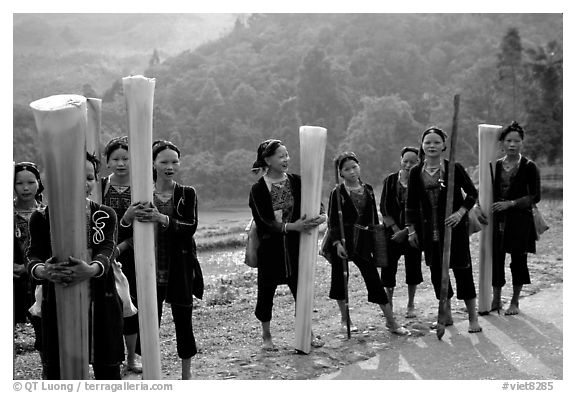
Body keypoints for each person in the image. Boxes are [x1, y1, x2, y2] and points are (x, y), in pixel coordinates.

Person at [26, 153, 124, 379]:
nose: (84, 183)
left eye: (89, 177)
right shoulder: (41, 218)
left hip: (101, 299)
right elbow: (33, 254)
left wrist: (91, 269)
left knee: (107, 368)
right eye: (75, 177)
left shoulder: (105, 214)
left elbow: (107, 249)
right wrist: (43, 270)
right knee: (58, 370)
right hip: (58, 299)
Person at [120, 139, 203, 380]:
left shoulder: (187, 193)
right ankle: (150, 373)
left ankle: (186, 375)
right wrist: (128, 217)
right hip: (149, 268)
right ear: (153, 164)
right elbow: (126, 230)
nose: (170, 166)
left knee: (183, 321)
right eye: (164, 161)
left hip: (179, 266)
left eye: (174, 161)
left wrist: (162, 219)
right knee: (148, 322)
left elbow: (191, 227)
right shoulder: (141, 193)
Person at [248, 139, 326, 351]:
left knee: (301, 290)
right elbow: (264, 223)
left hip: (295, 248)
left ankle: (307, 333)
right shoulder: (258, 189)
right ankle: (266, 336)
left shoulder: (296, 181)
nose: (286, 159)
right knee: (266, 294)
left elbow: (315, 200)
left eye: (287, 154)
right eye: (281, 156)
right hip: (270, 249)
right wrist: (293, 226)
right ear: (267, 160)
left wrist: (320, 215)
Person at [405, 127, 482, 333]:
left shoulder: (454, 168)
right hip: (429, 231)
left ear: (444, 146)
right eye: (428, 142)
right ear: (422, 145)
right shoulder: (415, 172)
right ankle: (445, 314)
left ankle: (473, 318)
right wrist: (411, 230)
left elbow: (472, 194)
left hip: (454, 229)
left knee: (462, 270)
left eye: (436, 142)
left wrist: (460, 213)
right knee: (437, 272)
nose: (432, 146)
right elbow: (410, 204)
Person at [327, 152, 410, 335]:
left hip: (363, 241)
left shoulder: (369, 189)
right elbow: (332, 220)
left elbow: (373, 216)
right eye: (346, 169)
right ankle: (344, 319)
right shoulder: (337, 192)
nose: (352, 172)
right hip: (343, 240)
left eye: (354, 167)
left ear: (359, 167)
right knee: (341, 280)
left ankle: (391, 322)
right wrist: (337, 243)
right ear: (340, 173)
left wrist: (375, 240)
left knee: (373, 280)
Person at [100, 136, 142, 373]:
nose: (121, 163)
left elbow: (145, 227)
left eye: (126, 158)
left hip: (131, 256)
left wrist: (121, 247)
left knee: (131, 305)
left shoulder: (142, 185)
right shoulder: (101, 185)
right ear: (107, 162)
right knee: (106, 306)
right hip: (101, 256)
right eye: (115, 158)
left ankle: (132, 358)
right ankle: (110, 357)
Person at [490, 121, 541, 315]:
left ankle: (515, 302)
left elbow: (535, 196)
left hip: (520, 220)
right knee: (497, 260)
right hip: (498, 219)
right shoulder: (495, 166)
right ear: (502, 143)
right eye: (508, 141)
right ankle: (496, 300)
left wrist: (511, 203)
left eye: (516, 141)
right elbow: (488, 191)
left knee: (518, 261)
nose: (512, 144)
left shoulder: (529, 166)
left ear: (522, 143)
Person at [379, 147, 424, 318]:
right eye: (405, 161)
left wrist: (405, 231)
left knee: (413, 267)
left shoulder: (421, 182)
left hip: (412, 233)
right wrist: (396, 230)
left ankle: (411, 304)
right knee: (388, 268)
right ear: (400, 160)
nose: (408, 165)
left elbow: (421, 212)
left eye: (413, 162)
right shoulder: (390, 181)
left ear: (419, 163)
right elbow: (384, 208)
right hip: (391, 233)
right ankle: (388, 302)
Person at [13, 162, 45, 369]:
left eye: (30, 182)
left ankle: (47, 369)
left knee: (43, 325)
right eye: (19, 183)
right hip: (12, 279)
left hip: (39, 276)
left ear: (39, 183)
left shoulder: (46, 213)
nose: (26, 188)